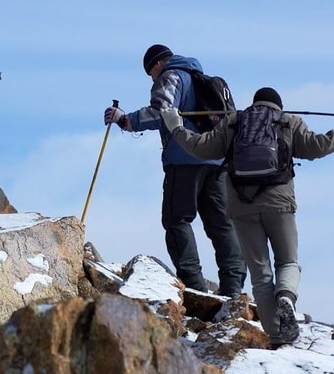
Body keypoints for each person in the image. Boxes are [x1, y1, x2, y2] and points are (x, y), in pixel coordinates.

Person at [161, 87, 334, 347]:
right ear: (278, 106)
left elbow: (201, 148)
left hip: (241, 206)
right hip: (279, 202)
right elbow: (319, 146)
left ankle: (276, 335)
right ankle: (286, 297)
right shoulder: (288, 122)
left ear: (255, 103)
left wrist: (176, 127)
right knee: (288, 261)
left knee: (260, 273)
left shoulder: (234, 122)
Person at [102, 45, 245, 296]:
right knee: (221, 224)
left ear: (157, 64)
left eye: (150, 73)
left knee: (176, 219)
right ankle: (233, 287)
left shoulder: (171, 76)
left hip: (184, 160)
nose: (152, 79)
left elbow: (162, 112)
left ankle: (194, 285)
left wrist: (125, 120)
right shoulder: (205, 79)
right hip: (216, 161)